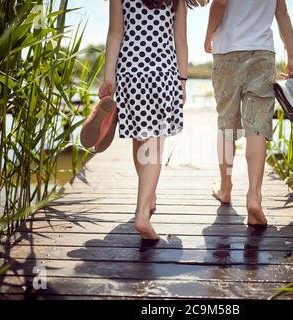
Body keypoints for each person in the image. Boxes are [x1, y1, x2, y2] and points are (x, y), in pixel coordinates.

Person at [96, 0, 201, 240]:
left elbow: (114, 34)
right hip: (162, 73)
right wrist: (183, 80)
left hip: (129, 71)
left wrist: (109, 75)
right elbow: (181, 42)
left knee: (140, 136)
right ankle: (142, 214)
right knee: (154, 141)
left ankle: (148, 196)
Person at [205, 0, 293, 225]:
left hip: (228, 50)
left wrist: (209, 33)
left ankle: (225, 188)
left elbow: (220, 2)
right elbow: (282, 13)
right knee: (257, 126)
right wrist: (292, 57)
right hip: (262, 53)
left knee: (226, 124)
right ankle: (254, 196)